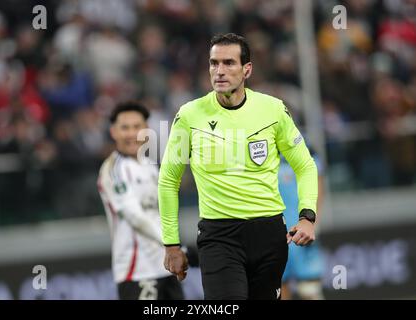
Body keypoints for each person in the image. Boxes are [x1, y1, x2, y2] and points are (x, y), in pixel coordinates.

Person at [158, 33, 319, 300]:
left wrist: (307, 217)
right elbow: (167, 181)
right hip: (219, 236)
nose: (219, 71)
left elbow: (305, 165)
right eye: (213, 63)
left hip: (269, 234)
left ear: (247, 69)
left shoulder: (273, 110)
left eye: (229, 63)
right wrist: (171, 243)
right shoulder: (189, 115)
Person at [97, 101, 184, 300]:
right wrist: (173, 243)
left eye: (137, 127)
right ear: (113, 132)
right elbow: (135, 216)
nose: (131, 133)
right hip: (137, 271)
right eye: (125, 128)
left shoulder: (150, 164)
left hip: (165, 267)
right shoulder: (113, 169)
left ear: (146, 130)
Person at [279, 148, 325, 300]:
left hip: (301, 228)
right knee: (279, 287)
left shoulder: (304, 145)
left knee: (309, 289)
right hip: (276, 231)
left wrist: (314, 221)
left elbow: (317, 180)